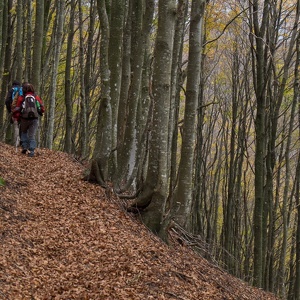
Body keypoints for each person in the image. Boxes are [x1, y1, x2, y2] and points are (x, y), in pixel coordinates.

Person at [12, 82, 45, 157]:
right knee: (32, 135)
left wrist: (16, 117)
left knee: (23, 132)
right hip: (34, 119)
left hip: (24, 118)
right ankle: (32, 150)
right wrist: (40, 112)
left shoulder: (22, 97)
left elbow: (17, 108)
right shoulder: (36, 97)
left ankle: (24, 146)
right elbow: (42, 108)